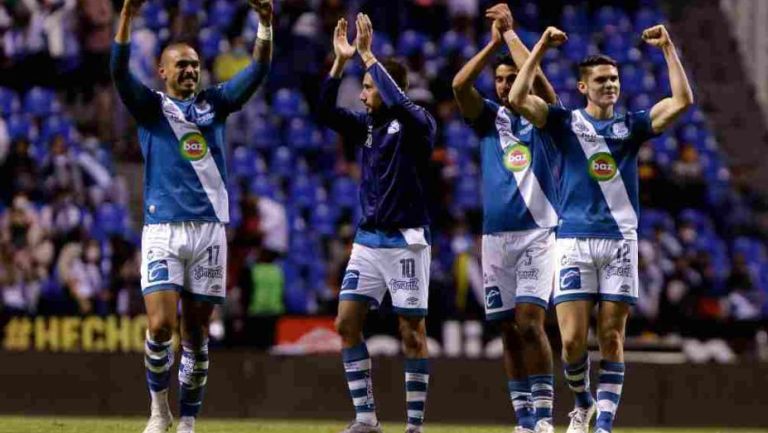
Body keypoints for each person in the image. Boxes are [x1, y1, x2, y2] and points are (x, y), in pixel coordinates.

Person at [509, 25, 693, 433]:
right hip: (573, 239)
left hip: (620, 242)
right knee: (573, 342)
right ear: (582, 87)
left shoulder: (633, 126)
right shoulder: (562, 122)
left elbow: (682, 100)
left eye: (614, 79)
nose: (610, 85)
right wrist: (539, 46)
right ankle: (583, 403)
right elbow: (518, 98)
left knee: (611, 338)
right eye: (601, 80)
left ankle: (605, 425)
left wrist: (667, 47)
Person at [110, 1, 273, 432]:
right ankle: (159, 410)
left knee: (197, 336)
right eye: (181, 65)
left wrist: (265, 25)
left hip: (209, 233)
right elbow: (118, 72)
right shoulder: (150, 108)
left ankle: (188, 422)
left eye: (195, 65)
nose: (190, 71)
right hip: (163, 230)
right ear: (162, 72)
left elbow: (256, 72)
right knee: (162, 325)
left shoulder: (215, 104)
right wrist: (126, 18)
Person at [317, 13, 436, 433]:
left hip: (406, 242)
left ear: (388, 88)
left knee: (412, 331)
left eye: (368, 86)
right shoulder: (366, 125)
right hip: (368, 241)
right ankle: (366, 417)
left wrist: (369, 57)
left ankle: (415, 426)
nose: (363, 94)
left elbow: (408, 110)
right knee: (346, 323)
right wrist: (340, 61)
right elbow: (324, 110)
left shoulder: (418, 124)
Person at [451, 4, 558, 433]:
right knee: (508, 332)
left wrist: (515, 40)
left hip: (537, 233)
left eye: (512, 76)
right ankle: (524, 420)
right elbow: (459, 84)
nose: (504, 83)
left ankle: (546, 417)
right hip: (495, 238)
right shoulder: (488, 121)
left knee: (531, 323)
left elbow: (548, 94)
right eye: (499, 78)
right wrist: (492, 44)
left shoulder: (546, 119)